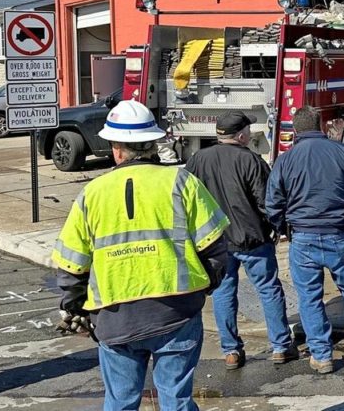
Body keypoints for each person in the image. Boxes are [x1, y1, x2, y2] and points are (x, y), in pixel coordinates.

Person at [52, 100, 229, 410]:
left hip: (115, 318)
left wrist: (74, 306)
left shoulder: (92, 194)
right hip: (176, 313)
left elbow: (71, 265)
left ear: (116, 148)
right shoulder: (181, 182)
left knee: (121, 402)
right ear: (153, 144)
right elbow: (215, 248)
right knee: (176, 399)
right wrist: (204, 287)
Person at [266, 106, 344, 374]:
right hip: (341, 233)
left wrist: (284, 229)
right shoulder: (343, 152)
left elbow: (273, 203)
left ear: (295, 130)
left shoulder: (286, 160)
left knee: (310, 297)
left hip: (303, 237)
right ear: (322, 125)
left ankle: (322, 355)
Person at [185, 111, 297, 370]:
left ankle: (231, 351)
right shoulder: (252, 161)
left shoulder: (198, 160)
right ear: (242, 135)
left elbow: (186, 199)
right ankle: (281, 346)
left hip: (216, 243)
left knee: (223, 294)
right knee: (269, 290)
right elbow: (266, 202)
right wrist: (277, 227)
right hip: (253, 240)